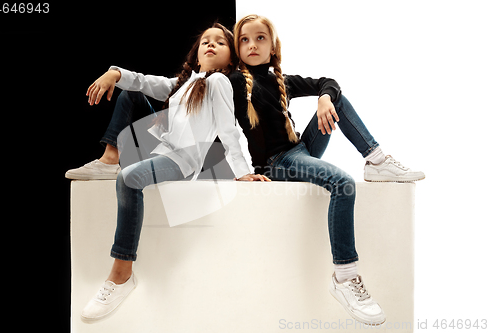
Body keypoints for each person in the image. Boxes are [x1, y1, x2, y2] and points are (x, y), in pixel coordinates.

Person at [230, 14, 422, 325]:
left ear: (273, 47)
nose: (252, 44)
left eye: (260, 38)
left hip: (299, 149)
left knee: (336, 99)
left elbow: (328, 82)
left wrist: (323, 98)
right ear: (238, 48)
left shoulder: (282, 81)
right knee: (341, 181)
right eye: (244, 39)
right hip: (278, 163)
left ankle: (376, 160)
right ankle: (345, 277)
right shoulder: (235, 82)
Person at [80, 23, 269, 323]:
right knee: (131, 93)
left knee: (128, 179)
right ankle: (109, 158)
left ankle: (121, 273)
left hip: (182, 160)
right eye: (206, 41)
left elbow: (228, 128)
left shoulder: (218, 83)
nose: (210, 45)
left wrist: (242, 171)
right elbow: (142, 81)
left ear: (230, 60)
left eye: (220, 43)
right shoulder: (181, 83)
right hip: (158, 147)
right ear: (196, 56)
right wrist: (115, 73)